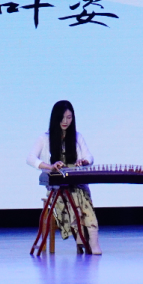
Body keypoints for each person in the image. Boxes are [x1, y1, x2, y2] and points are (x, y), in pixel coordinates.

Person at [26, 100, 101, 255]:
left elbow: (89, 157)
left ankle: (92, 239)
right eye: (62, 118)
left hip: (76, 183)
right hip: (57, 186)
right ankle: (82, 236)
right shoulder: (45, 138)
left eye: (69, 117)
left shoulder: (77, 137)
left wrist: (84, 161)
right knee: (74, 196)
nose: (65, 121)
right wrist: (50, 167)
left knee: (81, 193)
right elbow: (30, 158)